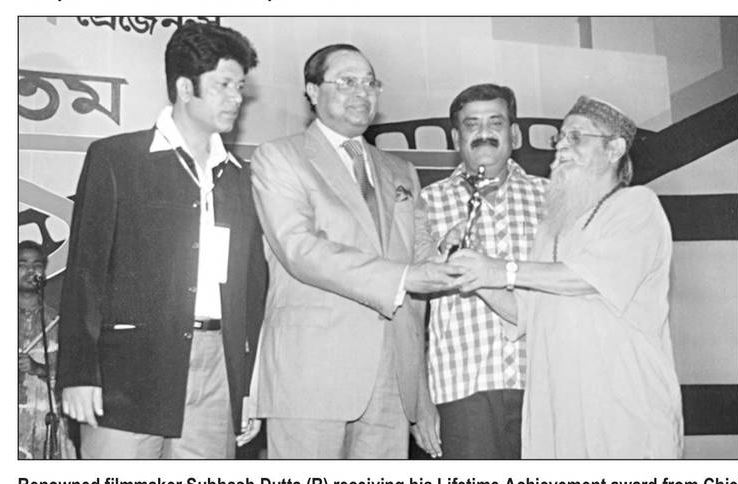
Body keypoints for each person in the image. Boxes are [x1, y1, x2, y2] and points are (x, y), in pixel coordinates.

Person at [57, 22, 267, 459]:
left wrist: (247, 385)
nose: (236, 98)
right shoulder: (117, 159)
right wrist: (78, 373)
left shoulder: (240, 178)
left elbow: (251, 290)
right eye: (224, 85)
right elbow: (85, 274)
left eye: (240, 87)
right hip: (127, 372)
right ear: (186, 87)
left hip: (216, 370)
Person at [248, 43, 464, 459]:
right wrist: (405, 277)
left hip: (392, 379)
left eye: (369, 83)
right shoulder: (279, 157)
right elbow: (300, 250)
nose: (362, 92)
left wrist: (446, 255)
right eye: (347, 81)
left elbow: (418, 260)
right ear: (313, 91)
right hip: (310, 373)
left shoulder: (400, 171)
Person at [450, 96, 683, 458]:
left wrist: (498, 269)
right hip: (559, 412)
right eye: (559, 138)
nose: (561, 147)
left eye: (576, 137)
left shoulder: (638, 205)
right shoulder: (551, 227)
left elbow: (584, 278)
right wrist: (473, 272)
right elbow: (524, 312)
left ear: (614, 149)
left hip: (625, 407)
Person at [414, 84, 545, 459]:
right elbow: (410, 311)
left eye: (496, 123)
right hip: (461, 390)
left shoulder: (552, 198)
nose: (484, 133)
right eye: (472, 125)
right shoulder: (425, 202)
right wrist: (420, 401)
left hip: (547, 385)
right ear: (456, 138)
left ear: (514, 134)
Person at [18, 241, 76, 459]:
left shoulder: (57, 321)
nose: (30, 271)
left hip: (44, 426)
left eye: (37, 265)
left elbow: (72, 374)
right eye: (22, 264)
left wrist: (38, 368)